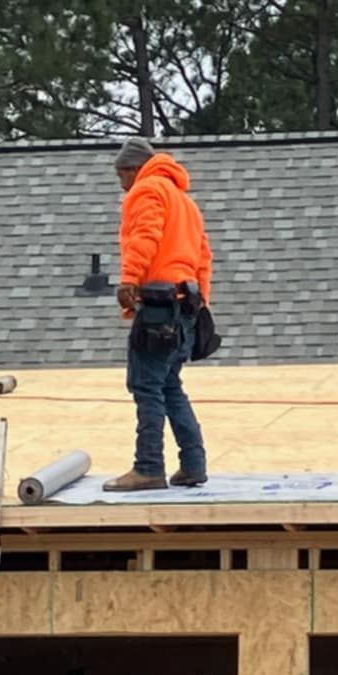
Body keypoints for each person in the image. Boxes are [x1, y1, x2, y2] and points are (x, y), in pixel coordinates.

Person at [105, 137, 213, 493]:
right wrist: (201, 307)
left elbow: (145, 237)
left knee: (145, 385)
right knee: (170, 385)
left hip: (157, 305)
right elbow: (203, 258)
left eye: (121, 174)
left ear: (133, 169)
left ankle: (149, 467)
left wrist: (130, 280)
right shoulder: (186, 202)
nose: (121, 182)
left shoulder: (146, 190)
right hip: (184, 304)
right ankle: (193, 464)